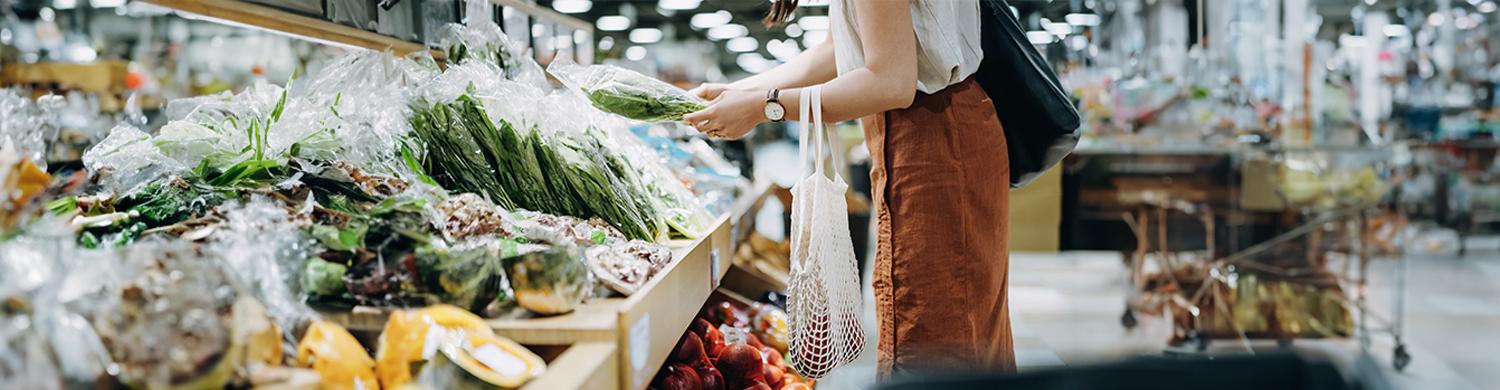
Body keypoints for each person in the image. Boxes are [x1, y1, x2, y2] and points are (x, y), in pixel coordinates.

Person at [684, 0, 1014, 378]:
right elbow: (836, 49)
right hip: (936, 130)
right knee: (959, 328)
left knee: (938, 339)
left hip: (933, 138)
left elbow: (889, 80)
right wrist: (737, 93)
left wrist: (765, 107)